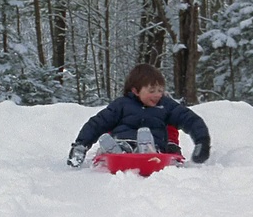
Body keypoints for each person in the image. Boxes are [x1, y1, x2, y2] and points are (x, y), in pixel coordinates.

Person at [67, 64, 211, 167]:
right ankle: (117, 151)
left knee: (148, 138)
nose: (157, 95)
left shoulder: (165, 105)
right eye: (152, 90)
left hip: (155, 147)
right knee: (123, 143)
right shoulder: (121, 105)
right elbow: (97, 123)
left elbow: (189, 119)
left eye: (160, 90)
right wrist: (81, 145)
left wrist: (202, 141)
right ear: (136, 91)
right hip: (124, 141)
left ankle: (146, 148)